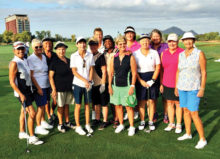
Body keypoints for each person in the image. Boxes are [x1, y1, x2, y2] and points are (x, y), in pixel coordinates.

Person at [176, 32, 207, 149]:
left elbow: (203, 72)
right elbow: (179, 71)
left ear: (193, 41)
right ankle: (188, 133)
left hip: (194, 87)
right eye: (186, 40)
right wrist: (176, 86)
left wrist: (202, 88)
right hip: (182, 87)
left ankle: (202, 139)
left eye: (190, 39)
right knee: (185, 111)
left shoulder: (199, 54)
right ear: (183, 42)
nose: (188, 42)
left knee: (194, 113)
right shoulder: (181, 54)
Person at [9, 41, 43, 145]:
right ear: (14, 50)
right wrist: (20, 94)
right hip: (22, 92)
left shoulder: (25, 60)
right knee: (32, 113)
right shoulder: (14, 63)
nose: (20, 51)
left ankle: (22, 132)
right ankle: (32, 137)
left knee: (23, 111)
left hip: (28, 90)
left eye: (22, 49)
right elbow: (11, 81)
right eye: (18, 49)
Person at [109, 35, 137, 136]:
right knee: (118, 106)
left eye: (124, 44)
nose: (122, 45)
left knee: (129, 107)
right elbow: (111, 73)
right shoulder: (113, 58)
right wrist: (109, 86)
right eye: (120, 44)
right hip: (116, 86)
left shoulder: (131, 57)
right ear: (117, 45)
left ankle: (132, 126)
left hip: (127, 86)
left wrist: (132, 86)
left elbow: (134, 73)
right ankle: (121, 124)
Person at [133, 34, 160, 131]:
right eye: (143, 40)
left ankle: (151, 121)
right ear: (140, 42)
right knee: (141, 101)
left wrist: (153, 80)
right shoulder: (135, 53)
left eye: (147, 40)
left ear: (149, 42)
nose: (145, 42)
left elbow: (158, 67)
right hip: (140, 77)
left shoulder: (154, 52)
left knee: (151, 101)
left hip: (152, 77)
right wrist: (140, 81)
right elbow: (134, 69)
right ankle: (142, 120)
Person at [28, 39, 53, 135]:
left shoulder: (43, 56)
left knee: (45, 103)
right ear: (32, 48)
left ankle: (43, 122)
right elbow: (31, 76)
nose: (39, 48)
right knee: (41, 106)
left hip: (46, 84)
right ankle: (38, 127)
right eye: (36, 47)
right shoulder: (31, 59)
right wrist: (38, 88)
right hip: (39, 86)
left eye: (40, 46)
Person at [160, 33, 184, 133]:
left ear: (177, 42)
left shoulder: (182, 52)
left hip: (179, 83)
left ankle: (178, 124)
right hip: (166, 82)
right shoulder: (163, 53)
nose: (172, 43)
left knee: (178, 104)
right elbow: (161, 69)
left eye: (174, 41)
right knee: (169, 103)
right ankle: (171, 123)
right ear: (167, 42)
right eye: (170, 41)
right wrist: (161, 83)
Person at [70, 37, 95, 135]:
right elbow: (74, 71)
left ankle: (87, 124)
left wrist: (90, 80)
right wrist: (85, 80)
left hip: (88, 84)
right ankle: (78, 126)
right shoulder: (73, 56)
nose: (82, 45)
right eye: (80, 43)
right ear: (77, 45)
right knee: (78, 105)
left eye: (84, 43)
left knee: (88, 105)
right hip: (77, 84)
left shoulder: (90, 55)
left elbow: (91, 69)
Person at [49, 41, 75, 133]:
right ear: (56, 50)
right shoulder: (54, 62)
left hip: (68, 87)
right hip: (59, 88)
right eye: (59, 49)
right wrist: (54, 89)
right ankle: (60, 124)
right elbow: (50, 77)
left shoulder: (69, 61)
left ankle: (67, 122)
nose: (61, 51)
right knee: (60, 106)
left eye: (63, 49)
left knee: (67, 105)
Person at [88, 38, 109, 130]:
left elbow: (104, 71)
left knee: (104, 103)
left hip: (100, 83)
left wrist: (103, 84)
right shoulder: (88, 56)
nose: (93, 46)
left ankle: (105, 120)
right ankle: (97, 119)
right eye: (91, 45)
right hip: (93, 84)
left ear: (97, 46)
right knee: (96, 103)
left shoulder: (100, 56)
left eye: (94, 45)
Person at [150, 29, 169, 123]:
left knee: (165, 96)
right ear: (151, 37)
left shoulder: (166, 46)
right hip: (152, 74)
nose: (155, 38)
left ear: (160, 37)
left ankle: (166, 114)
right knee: (153, 97)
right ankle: (154, 113)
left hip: (165, 73)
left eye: (157, 36)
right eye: (154, 36)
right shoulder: (149, 46)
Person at [123, 26, 141, 120]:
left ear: (134, 34)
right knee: (126, 93)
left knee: (135, 93)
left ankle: (136, 111)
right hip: (124, 74)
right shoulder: (121, 44)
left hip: (136, 72)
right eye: (127, 33)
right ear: (125, 34)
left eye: (131, 33)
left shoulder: (139, 45)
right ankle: (128, 111)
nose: (129, 35)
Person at [103, 35, 119, 128]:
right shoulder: (104, 53)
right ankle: (114, 117)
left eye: (109, 41)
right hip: (107, 79)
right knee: (111, 100)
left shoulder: (116, 51)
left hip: (116, 78)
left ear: (112, 42)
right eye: (105, 42)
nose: (107, 43)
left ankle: (117, 119)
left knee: (116, 99)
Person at [42, 37, 58, 125]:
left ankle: (52, 111)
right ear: (43, 45)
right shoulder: (41, 55)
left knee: (55, 100)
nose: (48, 45)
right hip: (44, 80)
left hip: (53, 80)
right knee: (46, 100)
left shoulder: (55, 55)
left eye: (50, 44)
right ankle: (49, 116)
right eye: (46, 44)